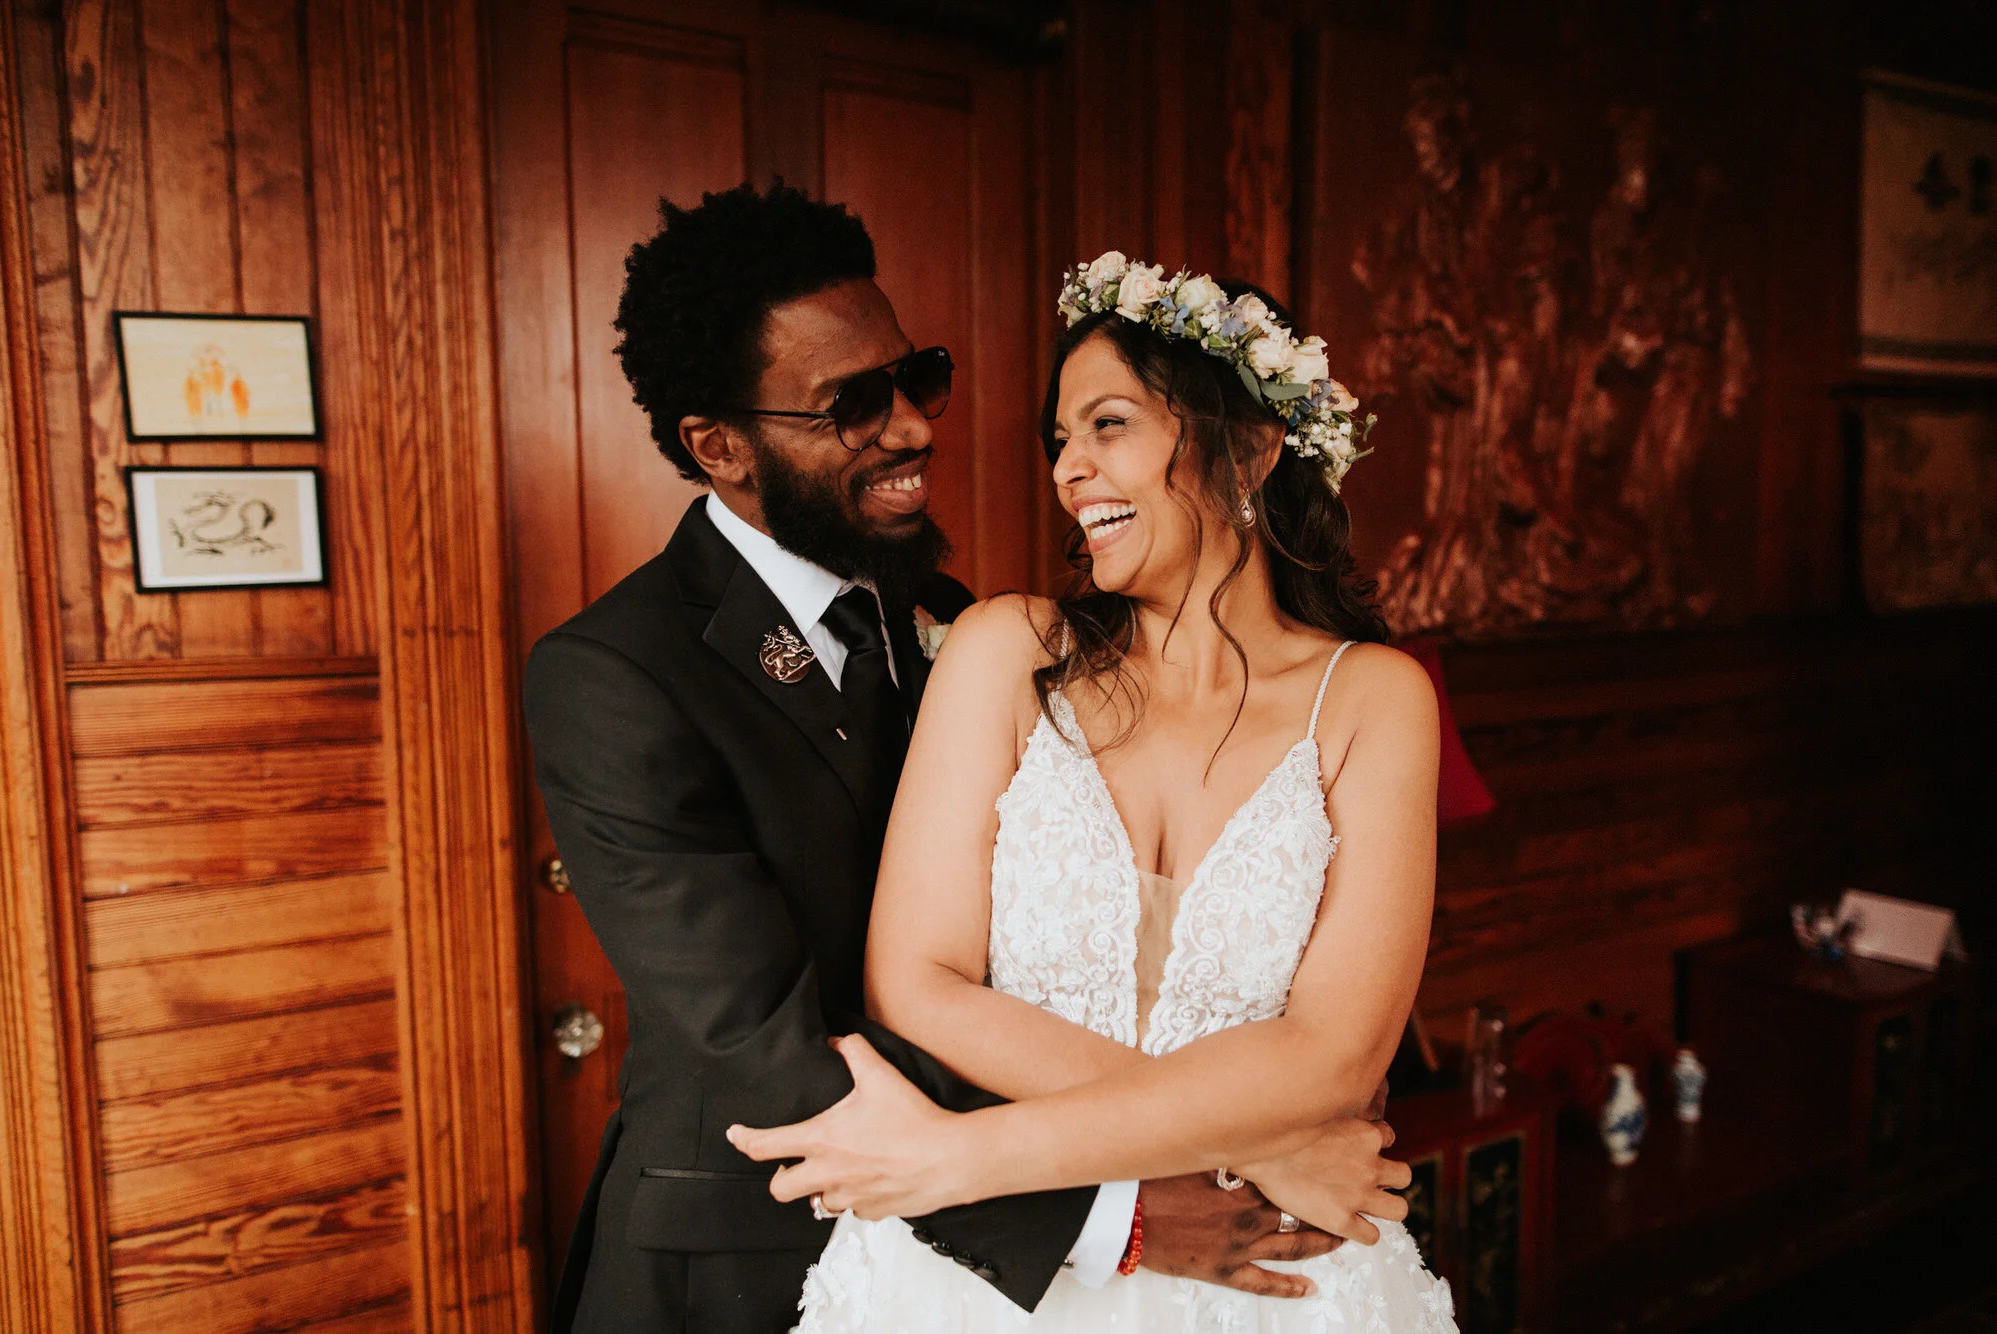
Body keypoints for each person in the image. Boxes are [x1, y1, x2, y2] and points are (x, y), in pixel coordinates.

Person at [524, 192, 1408, 1334]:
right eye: (852, 404)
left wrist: (1240, 1132)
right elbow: (772, 1038)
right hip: (761, 1245)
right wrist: (1141, 1201)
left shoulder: (954, 616)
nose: (910, 427)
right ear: (718, 446)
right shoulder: (614, 670)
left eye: (915, 377)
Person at [732, 254, 1457, 1331]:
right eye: (1058, 441)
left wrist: (953, 1155)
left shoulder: (1373, 700)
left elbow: (1333, 1054)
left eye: (1106, 424)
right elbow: (915, 980)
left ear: (1248, 446)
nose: (1069, 468)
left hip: (1282, 1278)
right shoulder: (1005, 651)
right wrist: (1255, 1138)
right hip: (997, 1282)